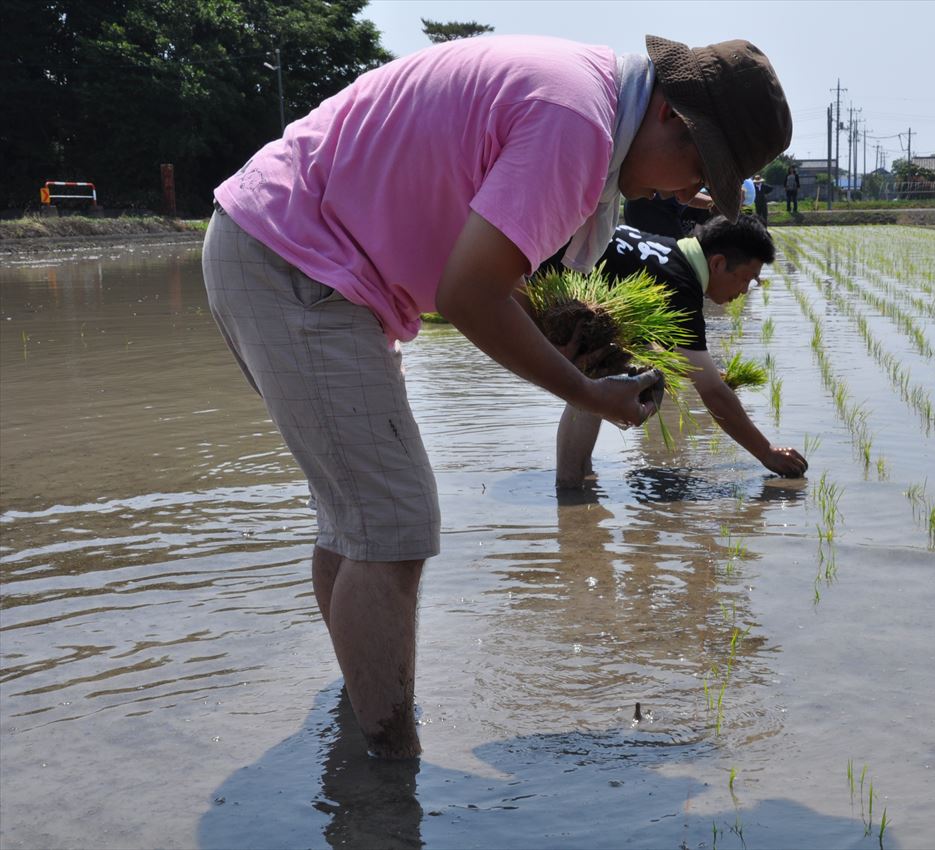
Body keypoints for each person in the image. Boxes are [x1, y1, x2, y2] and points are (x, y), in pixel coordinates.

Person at [201, 33, 792, 759]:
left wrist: (556, 341)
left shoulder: (585, 101)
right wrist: (584, 390)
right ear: (669, 112)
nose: (680, 193)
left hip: (288, 250)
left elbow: (490, 274)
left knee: (358, 521)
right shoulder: (577, 123)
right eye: (698, 167)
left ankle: (361, 726)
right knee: (394, 523)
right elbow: (469, 294)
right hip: (296, 260)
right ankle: (389, 771)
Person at [556, 214, 808, 488]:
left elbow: (656, 347)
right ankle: (571, 488)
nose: (744, 291)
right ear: (718, 263)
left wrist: (695, 370)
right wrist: (765, 452)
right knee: (599, 374)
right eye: (746, 278)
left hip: (546, 255)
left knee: (600, 370)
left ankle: (577, 488)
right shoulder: (680, 285)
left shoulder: (670, 253)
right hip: (530, 276)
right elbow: (714, 394)